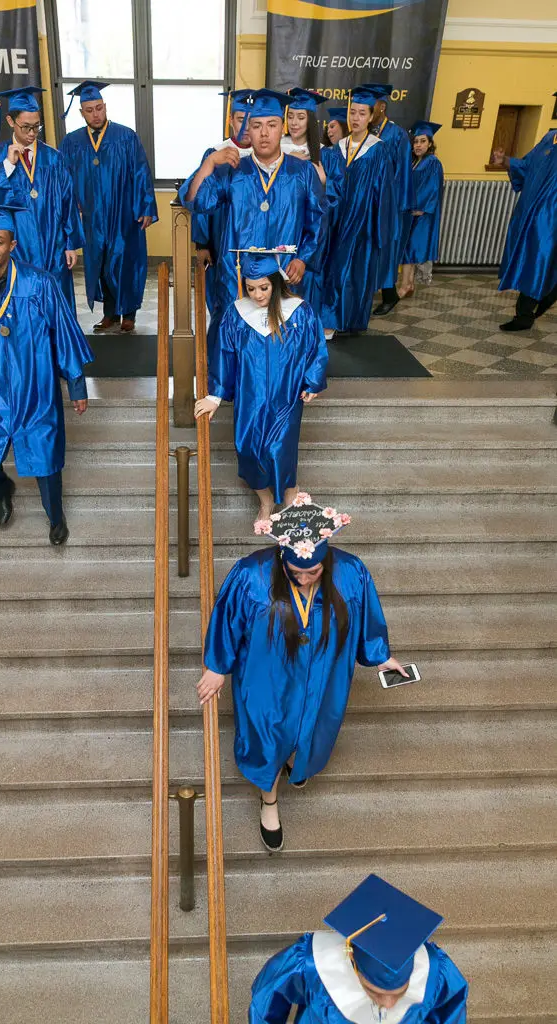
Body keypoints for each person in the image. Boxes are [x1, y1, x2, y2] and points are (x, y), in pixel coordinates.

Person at [196, 498, 406, 851]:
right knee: (266, 734)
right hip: (267, 677)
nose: (305, 579)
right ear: (282, 557)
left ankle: (297, 761)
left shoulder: (351, 572)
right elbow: (227, 620)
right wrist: (217, 667)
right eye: (296, 573)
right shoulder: (251, 575)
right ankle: (269, 800)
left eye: (314, 572)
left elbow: (367, 617)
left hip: (324, 674)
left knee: (316, 724)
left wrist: (380, 656)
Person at [0, 202, 93, 546]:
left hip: (35, 387)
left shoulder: (39, 283)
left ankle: (55, 516)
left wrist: (76, 386)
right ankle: (2, 490)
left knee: (44, 454)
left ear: (12, 244)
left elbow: (64, 336)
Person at [194, 250, 327, 523]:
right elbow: (224, 356)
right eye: (251, 288)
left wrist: (312, 381)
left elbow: (316, 348)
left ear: (276, 283)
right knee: (249, 450)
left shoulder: (299, 311)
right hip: (249, 398)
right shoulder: (236, 314)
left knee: (280, 450)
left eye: (264, 288)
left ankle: (291, 495)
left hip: (286, 397)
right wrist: (215, 396)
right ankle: (265, 501)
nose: (257, 295)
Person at [179, 88, 328, 331]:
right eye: (257, 125)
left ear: (282, 127)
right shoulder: (234, 171)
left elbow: (317, 220)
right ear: (248, 128)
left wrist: (303, 258)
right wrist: (209, 163)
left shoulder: (302, 172)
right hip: (237, 274)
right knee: (236, 337)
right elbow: (195, 201)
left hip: (285, 271)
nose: (264, 133)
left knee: (283, 336)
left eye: (272, 125)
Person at [249, 874, 469, 1022]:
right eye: (375, 992)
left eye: (400, 993)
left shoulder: (435, 971)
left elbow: (452, 1010)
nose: (389, 1004)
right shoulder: (312, 964)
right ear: (353, 960)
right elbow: (265, 1000)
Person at [59, 81, 158, 333]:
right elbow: (64, 178)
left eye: (99, 108)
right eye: (89, 110)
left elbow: (141, 172)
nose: (96, 114)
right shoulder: (72, 142)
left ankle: (129, 314)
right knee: (101, 264)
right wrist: (71, 205)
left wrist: (146, 207)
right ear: (81, 112)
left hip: (124, 214)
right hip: (92, 217)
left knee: (125, 262)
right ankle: (110, 314)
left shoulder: (125, 136)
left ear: (105, 106)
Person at [0, 86, 83, 312]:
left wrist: (70, 244)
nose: (32, 133)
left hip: (53, 244)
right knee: (22, 301)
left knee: (56, 301)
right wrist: (8, 165)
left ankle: (57, 337)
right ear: (10, 121)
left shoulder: (54, 158)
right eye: (26, 127)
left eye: (37, 126)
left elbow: (68, 202)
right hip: (18, 245)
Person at [321, 88, 397, 339]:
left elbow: (384, 192)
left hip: (363, 220)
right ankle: (333, 318)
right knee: (335, 268)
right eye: (352, 112)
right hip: (337, 217)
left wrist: (378, 227)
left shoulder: (378, 150)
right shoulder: (338, 148)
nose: (355, 118)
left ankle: (349, 320)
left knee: (355, 271)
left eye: (362, 113)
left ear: (371, 116)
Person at [192, 89, 255, 315]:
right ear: (230, 120)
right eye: (240, 119)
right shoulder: (216, 154)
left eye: (252, 120)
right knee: (224, 297)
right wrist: (202, 244)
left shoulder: (267, 155)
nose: (246, 126)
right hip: (221, 238)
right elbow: (200, 202)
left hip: (256, 243)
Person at [492, 122, 557, 331]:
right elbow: (527, 166)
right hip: (533, 214)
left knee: (541, 260)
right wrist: (505, 161)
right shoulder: (549, 138)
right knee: (533, 260)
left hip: (552, 218)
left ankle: (528, 311)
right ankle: (525, 314)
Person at [359, 83, 415, 317]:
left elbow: (403, 172)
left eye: (370, 106)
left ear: (381, 107)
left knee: (387, 250)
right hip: (367, 201)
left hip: (389, 203)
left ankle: (390, 295)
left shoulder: (396, 135)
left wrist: (398, 205)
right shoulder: (365, 133)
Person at [399, 121, 444, 299]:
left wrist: (421, 208)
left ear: (430, 143)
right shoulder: (416, 162)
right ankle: (409, 284)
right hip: (413, 213)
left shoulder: (432, 162)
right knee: (409, 249)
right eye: (416, 141)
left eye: (422, 141)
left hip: (421, 214)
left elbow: (432, 188)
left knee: (410, 249)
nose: (418, 145)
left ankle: (404, 286)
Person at [282, 87, 328, 186]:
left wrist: (324, 181)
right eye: (290, 117)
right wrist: (285, 160)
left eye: (301, 118)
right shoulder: (277, 148)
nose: (294, 123)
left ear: (310, 121)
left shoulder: (324, 154)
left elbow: (337, 190)